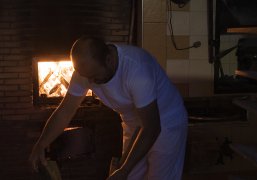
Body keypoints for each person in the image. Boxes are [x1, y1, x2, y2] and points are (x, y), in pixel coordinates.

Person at [29, 36, 188, 180]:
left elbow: (152, 128)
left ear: (109, 60)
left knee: (158, 176)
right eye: (86, 77)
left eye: (95, 76)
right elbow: (65, 111)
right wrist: (42, 143)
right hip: (133, 123)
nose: (90, 82)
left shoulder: (137, 70)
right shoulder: (85, 72)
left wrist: (124, 170)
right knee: (131, 176)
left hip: (166, 121)